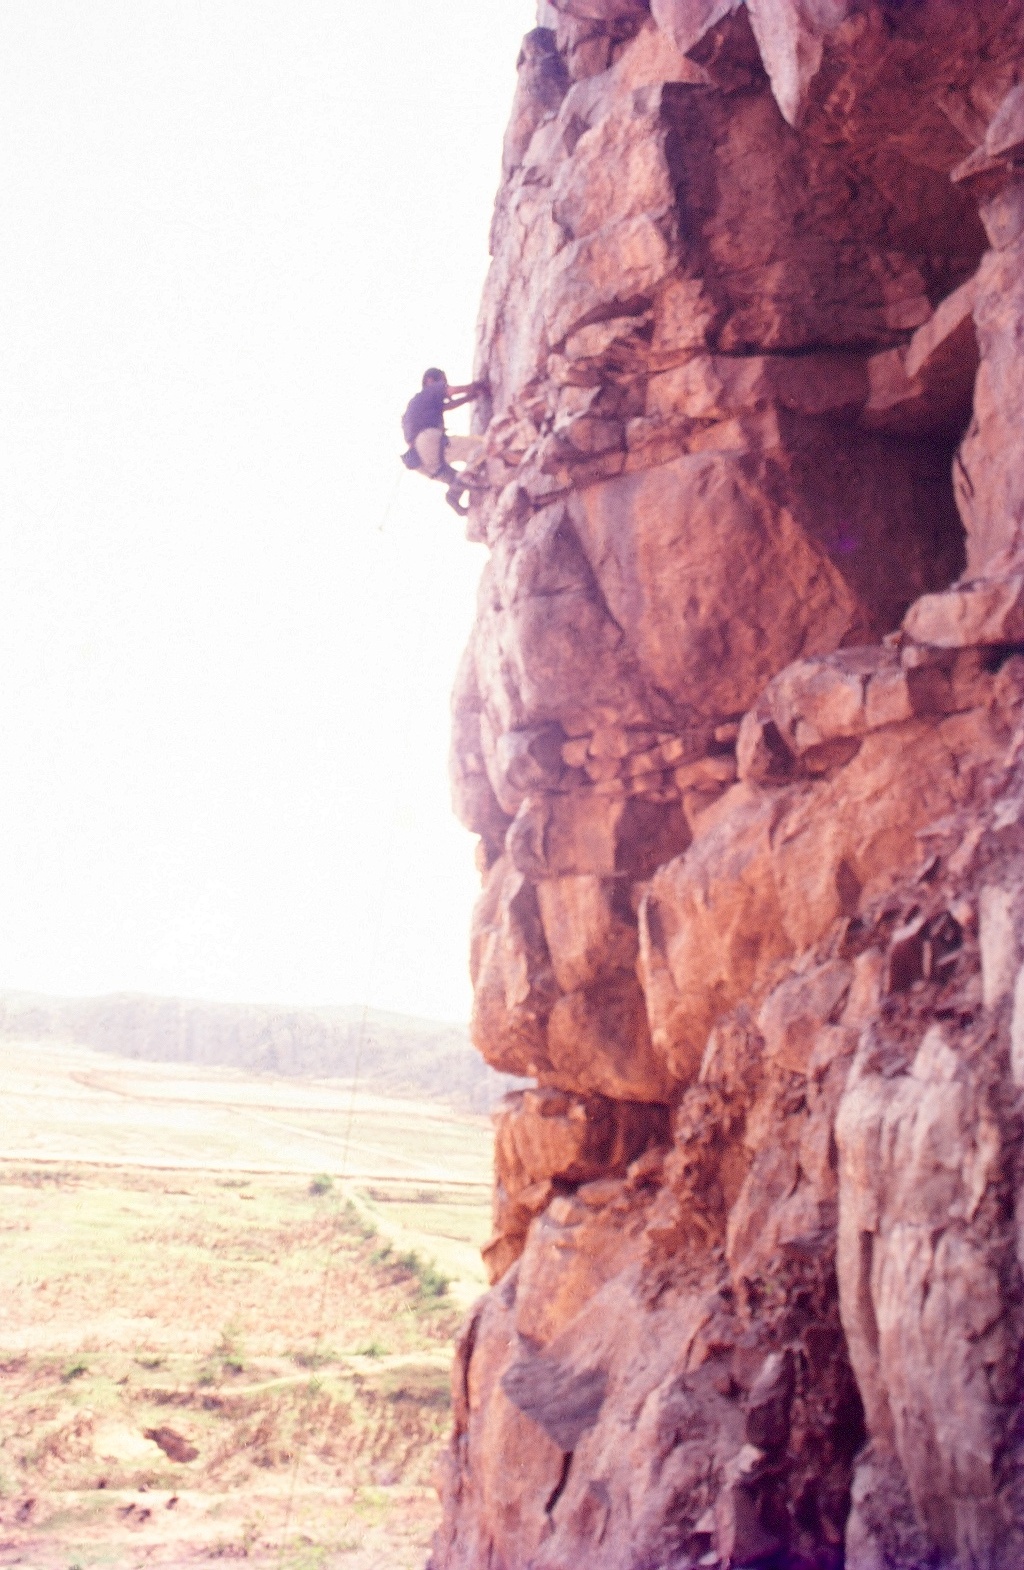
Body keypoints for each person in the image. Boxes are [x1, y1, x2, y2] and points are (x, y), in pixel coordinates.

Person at [402, 368, 486, 515]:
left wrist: (471, 397)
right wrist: (476, 386)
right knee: (482, 446)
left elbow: (448, 406)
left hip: (418, 460)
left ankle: (453, 496)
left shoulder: (417, 404)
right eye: (443, 381)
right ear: (430, 380)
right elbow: (451, 391)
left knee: (461, 480)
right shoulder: (429, 390)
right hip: (429, 442)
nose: (445, 384)